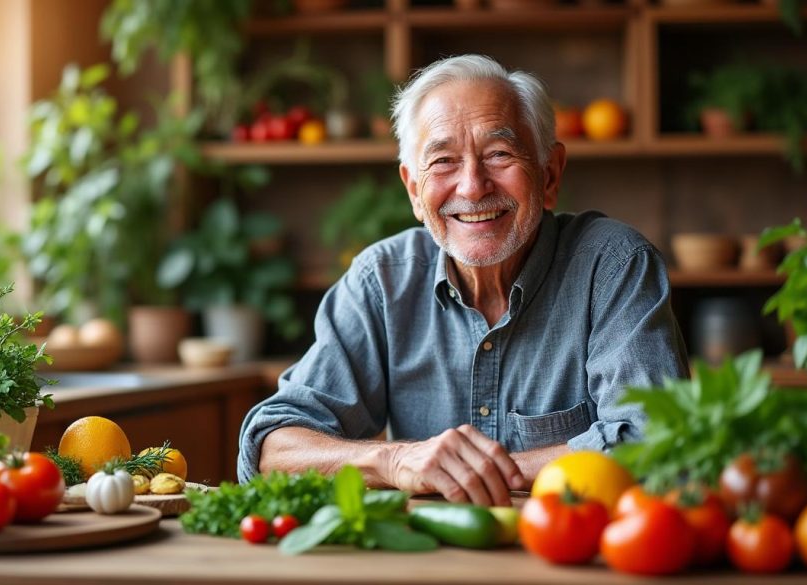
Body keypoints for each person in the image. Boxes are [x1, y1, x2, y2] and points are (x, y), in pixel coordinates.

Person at [237, 55, 688, 506]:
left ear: (549, 174)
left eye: (499, 155)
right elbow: (271, 448)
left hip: (575, 544)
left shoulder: (613, 265)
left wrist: (473, 473)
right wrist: (395, 461)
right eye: (443, 161)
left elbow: (660, 444)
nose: (472, 186)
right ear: (414, 191)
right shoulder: (382, 281)